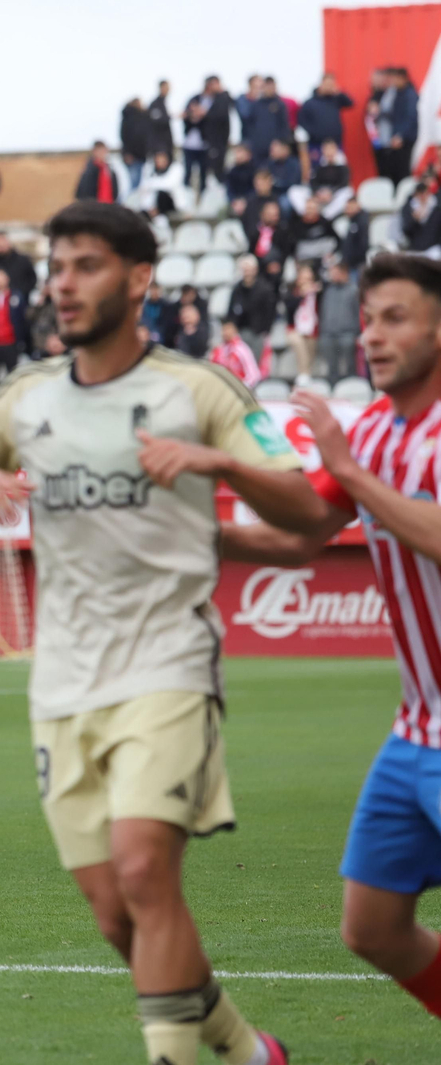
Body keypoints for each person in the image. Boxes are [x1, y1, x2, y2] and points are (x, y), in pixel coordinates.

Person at [0, 201, 315, 1065]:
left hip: (168, 660)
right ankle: (251, 1051)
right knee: (118, 915)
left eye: (86, 265)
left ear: (140, 278)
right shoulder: (25, 398)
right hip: (61, 678)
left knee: (146, 873)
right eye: (56, 265)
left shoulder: (197, 388)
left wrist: (221, 466)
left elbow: (312, 516)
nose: (62, 283)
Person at [220, 252, 441, 1026]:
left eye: (397, 318)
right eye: (369, 319)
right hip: (417, 730)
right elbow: (302, 534)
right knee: (372, 925)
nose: (372, 337)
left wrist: (346, 466)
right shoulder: (376, 430)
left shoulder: (379, 445)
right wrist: (193, 529)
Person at [0, 268, 31, 384]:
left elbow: (22, 319)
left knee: (13, 378)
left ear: (7, 279)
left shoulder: (16, 296)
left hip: (11, 343)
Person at [225, 256, 278, 361]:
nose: (247, 273)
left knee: (254, 363)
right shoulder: (237, 289)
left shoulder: (264, 289)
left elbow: (270, 312)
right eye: (245, 270)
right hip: (239, 333)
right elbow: (231, 311)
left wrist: (265, 330)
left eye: (249, 270)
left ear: (255, 270)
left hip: (258, 333)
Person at [319, 260, 361, 381]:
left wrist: (357, 333)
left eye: (335, 273)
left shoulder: (354, 290)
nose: (332, 276)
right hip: (328, 334)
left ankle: (352, 385)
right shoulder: (328, 290)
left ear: (344, 273)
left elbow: (358, 312)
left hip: (348, 334)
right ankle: (332, 387)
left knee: (350, 364)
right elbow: (324, 311)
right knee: (331, 366)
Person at [298, 75, 354, 157]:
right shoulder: (309, 103)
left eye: (331, 84)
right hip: (317, 145)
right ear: (321, 84)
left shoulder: (336, 100)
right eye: (327, 84)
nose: (329, 87)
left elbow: (350, 103)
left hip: (335, 144)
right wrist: (315, 134)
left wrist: (339, 92)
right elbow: (302, 122)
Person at [284, 270, 321, 377]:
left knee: (310, 356)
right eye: (303, 278)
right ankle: (304, 376)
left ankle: (307, 377)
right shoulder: (291, 292)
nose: (306, 282)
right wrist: (301, 295)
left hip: (312, 331)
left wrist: (314, 290)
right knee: (300, 345)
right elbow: (289, 308)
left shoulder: (316, 294)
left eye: (309, 279)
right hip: (294, 330)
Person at [0, 232, 37, 301]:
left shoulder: (22, 261)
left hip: (21, 301)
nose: (1, 246)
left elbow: (32, 279)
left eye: (2, 242)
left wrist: (21, 292)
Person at [210, 320, 261, 387]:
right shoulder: (219, 349)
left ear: (235, 330)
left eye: (228, 329)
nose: (225, 332)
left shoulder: (242, 349)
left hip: (238, 389)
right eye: (223, 329)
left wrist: (242, 388)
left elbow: (254, 375)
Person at [121, 98, 153, 190]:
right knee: (133, 184)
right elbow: (124, 137)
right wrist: (127, 153)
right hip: (132, 157)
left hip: (141, 155)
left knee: (138, 183)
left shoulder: (142, 117)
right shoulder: (128, 117)